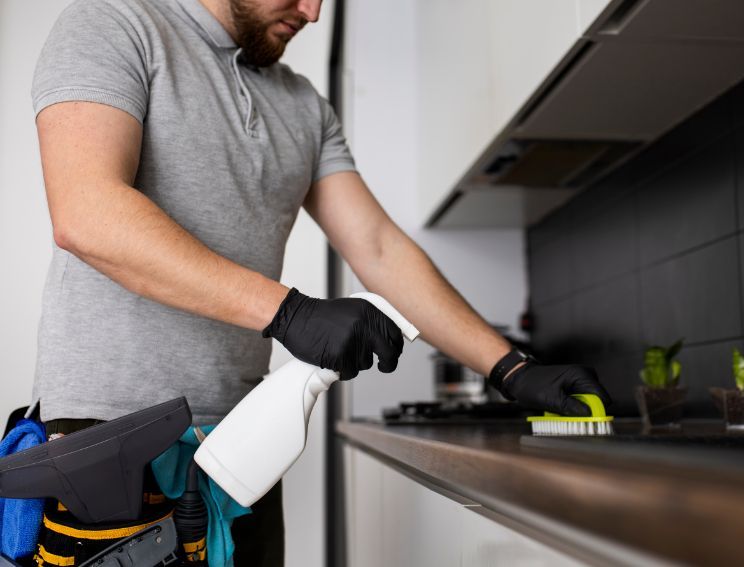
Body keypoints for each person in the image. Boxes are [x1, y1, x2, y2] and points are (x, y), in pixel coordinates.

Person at [29, 0, 611, 563]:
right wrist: (291, 313)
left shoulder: (304, 105)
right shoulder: (114, 24)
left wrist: (510, 367)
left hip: (245, 445)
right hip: (111, 443)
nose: (312, 12)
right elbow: (88, 212)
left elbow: (378, 247)